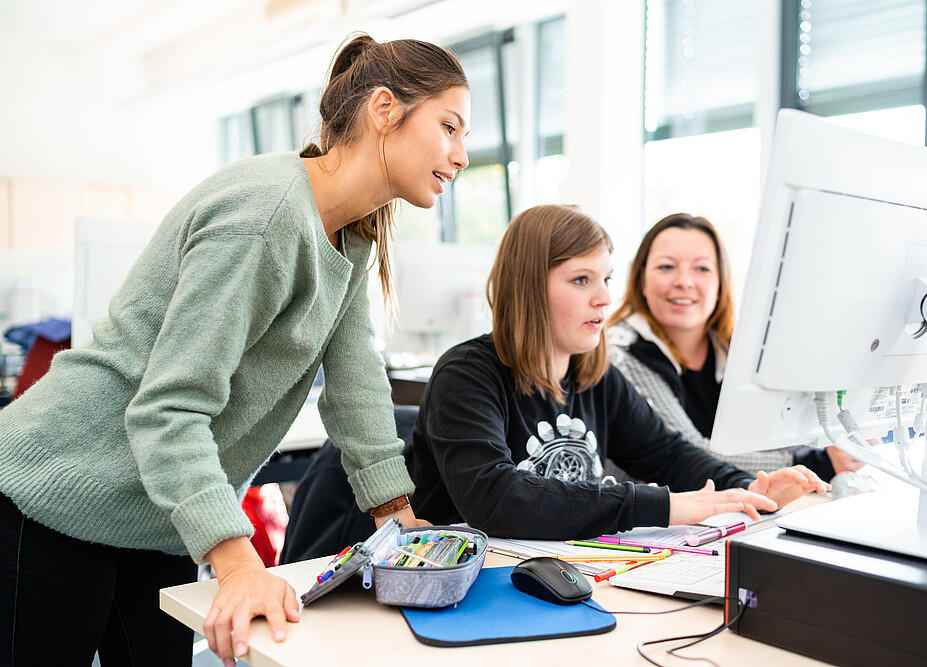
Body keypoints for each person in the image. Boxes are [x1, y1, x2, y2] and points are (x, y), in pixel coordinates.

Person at [0, 33, 469, 667]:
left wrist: (399, 521)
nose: (462, 155)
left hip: (159, 510)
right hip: (59, 489)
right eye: (450, 127)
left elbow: (358, 390)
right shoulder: (269, 212)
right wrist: (238, 561)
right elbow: (168, 410)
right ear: (385, 109)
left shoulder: (352, 235)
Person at [408, 205, 829, 539]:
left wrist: (744, 487)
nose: (605, 298)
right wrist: (659, 506)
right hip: (461, 580)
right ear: (529, 287)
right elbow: (495, 499)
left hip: (558, 566)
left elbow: (667, 454)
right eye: (581, 280)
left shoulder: (595, 374)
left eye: (606, 278)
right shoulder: (466, 374)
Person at [606, 213, 862, 481]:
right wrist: (812, 464)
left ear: (720, 284)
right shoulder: (621, 353)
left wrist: (840, 448)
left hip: (730, 511)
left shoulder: (734, 350)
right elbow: (686, 452)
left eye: (702, 268)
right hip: (655, 518)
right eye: (666, 267)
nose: (684, 281)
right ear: (641, 280)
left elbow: (775, 431)